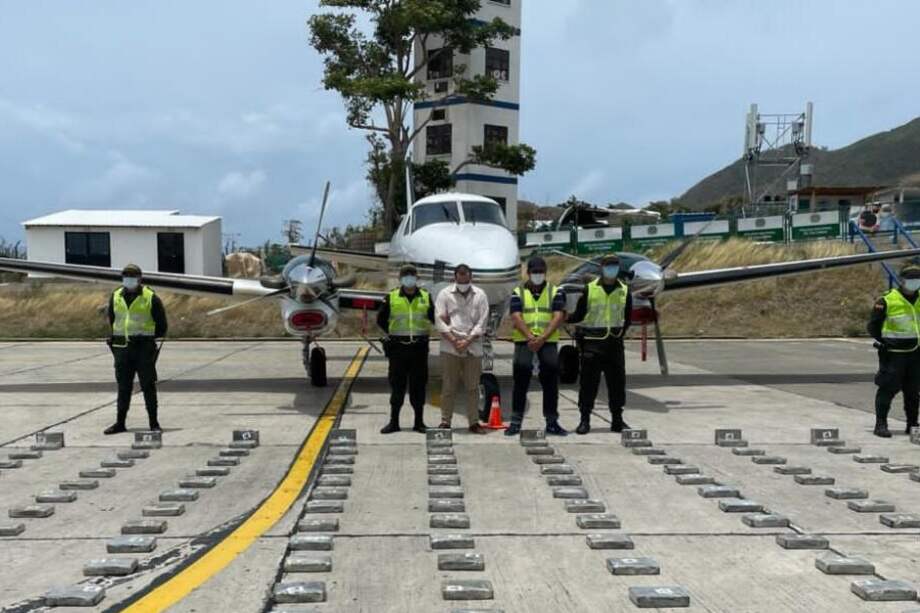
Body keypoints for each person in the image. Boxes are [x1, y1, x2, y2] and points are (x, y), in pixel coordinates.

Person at [568, 254, 633, 434]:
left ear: (618, 268)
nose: (611, 268)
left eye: (614, 265)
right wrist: (563, 317)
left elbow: (627, 317)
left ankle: (617, 420)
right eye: (607, 265)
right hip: (592, 345)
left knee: (617, 384)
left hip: (614, 345)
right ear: (601, 267)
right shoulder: (589, 289)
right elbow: (579, 314)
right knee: (588, 385)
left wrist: (618, 333)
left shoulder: (625, 290)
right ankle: (584, 420)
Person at [506, 256, 567, 436]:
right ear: (528, 273)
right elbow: (516, 316)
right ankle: (516, 422)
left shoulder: (555, 291)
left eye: (541, 271)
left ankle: (552, 421)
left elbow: (558, 316)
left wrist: (541, 338)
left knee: (550, 382)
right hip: (524, 340)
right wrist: (531, 337)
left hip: (547, 341)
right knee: (520, 380)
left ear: (545, 272)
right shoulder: (518, 292)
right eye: (535, 272)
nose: (538, 275)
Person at [104, 264, 167, 434]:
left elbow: (162, 326)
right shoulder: (115, 296)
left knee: (148, 386)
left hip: (143, 349)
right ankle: (120, 423)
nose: (129, 279)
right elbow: (113, 319)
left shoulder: (150, 297)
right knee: (123, 387)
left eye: (132, 276)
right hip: (122, 348)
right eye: (126, 276)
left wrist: (146, 338)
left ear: (140, 278)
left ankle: (154, 423)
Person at [377, 264, 434, 434]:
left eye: (412, 275)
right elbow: (381, 320)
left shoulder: (426, 296)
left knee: (419, 386)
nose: (409, 278)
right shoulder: (391, 297)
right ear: (400, 278)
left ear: (417, 278)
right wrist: (392, 334)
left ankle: (419, 422)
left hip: (419, 348)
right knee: (397, 386)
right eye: (405, 275)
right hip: (398, 349)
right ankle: (394, 422)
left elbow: (434, 317)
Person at [434, 264, 490, 434]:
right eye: (460, 275)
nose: (463, 278)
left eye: (466, 275)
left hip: (472, 347)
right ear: (455, 277)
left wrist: (467, 341)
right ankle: (445, 422)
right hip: (450, 348)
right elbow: (439, 320)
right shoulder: (444, 294)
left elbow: (483, 321)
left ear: (470, 277)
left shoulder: (480, 295)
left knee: (472, 388)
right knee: (448, 386)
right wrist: (453, 340)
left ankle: (474, 422)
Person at [868, 262, 920, 438]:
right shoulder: (887, 300)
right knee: (888, 388)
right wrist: (886, 342)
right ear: (901, 280)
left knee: (913, 391)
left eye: (918, 279)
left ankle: (913, 425)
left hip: (916, 353)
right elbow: (873, 326)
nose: (915, 282)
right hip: (894, 354)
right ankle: (880, 424)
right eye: (911, 279)